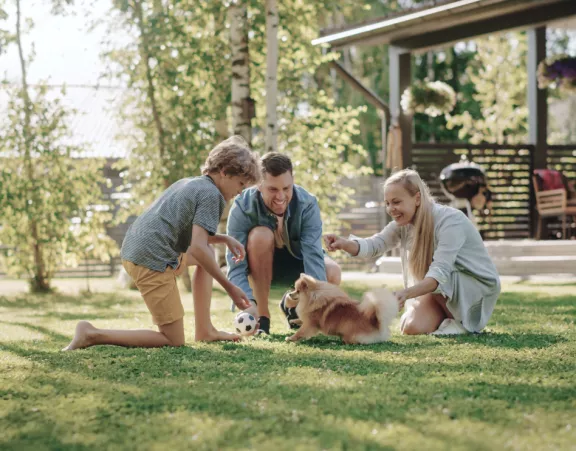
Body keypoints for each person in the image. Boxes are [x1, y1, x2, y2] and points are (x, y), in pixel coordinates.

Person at [63, 136, 260, 351]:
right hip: (151, 259)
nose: (241, 191)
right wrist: (230, 287)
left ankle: (205, 330)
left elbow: (190, 235)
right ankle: (91, 334)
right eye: (241, 183)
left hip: (139, 249)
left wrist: (223, 238)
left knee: (208, 255)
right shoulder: (212, 195)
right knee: (172, 339)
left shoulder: (192, 184)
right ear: (224, 171)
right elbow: (197, 247)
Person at [324, 168, 500, 335]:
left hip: (474, 285)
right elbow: (374, 245)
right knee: (411, 327)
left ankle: (463, 324)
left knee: (434, 274)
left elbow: (439, 274)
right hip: (441, 289)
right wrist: (344, 243)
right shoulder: (404, 224)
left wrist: (405, 293)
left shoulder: (450, 222)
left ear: (417, 198)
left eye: (396, 202)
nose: (391, 209)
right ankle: (448, 320)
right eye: (387, 203)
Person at [226, 152, 341, 335]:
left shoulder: (307, 203)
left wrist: (316, 308)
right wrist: (248, 303)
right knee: (260, 235)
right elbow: (235, 264)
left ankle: (292, 307)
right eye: (273, 189)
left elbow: (313, 255)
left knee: (333, 272)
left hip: (298, 263)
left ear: (293, 181)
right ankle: (262, 319)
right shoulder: (242, 206)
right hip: (258, 267)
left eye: (286, 188)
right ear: (258, 184)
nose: (281, 197)